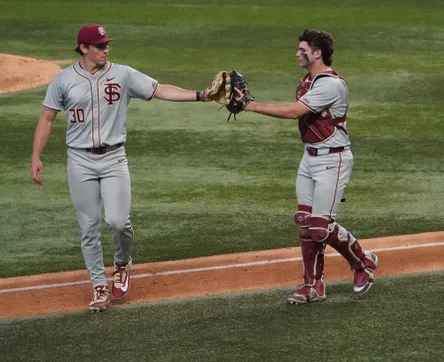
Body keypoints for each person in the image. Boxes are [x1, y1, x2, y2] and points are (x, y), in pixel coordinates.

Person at [30, 24, 213, 312]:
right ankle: (99, 287)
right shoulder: (63, 80)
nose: (106, 49)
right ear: (83, 48)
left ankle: (121, 263)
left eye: (106, 45)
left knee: (118, 221)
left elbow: (160, 90)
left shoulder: (123, 74)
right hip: (79, 160)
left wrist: (201, 95)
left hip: (114, 158)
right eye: (100, 45)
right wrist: (36, 157)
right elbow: (47, 118)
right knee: (88, 227)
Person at [241, 29, 378, 304]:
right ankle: (313, 285)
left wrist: (250, 105)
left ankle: (363, 262)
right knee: (305, 223)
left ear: (318, 53)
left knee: (320, 227)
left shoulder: (329, 84)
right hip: (309, 158)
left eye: (303, 50)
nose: (297, 54)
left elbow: (295, 112)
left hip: (332, 159)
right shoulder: (307, 81)